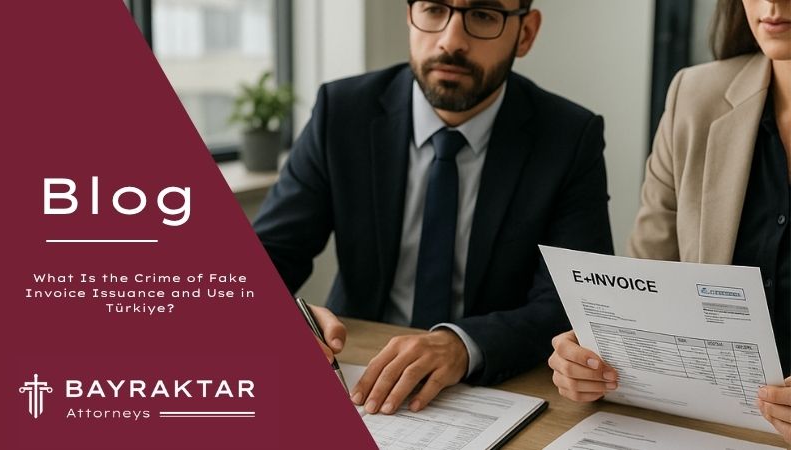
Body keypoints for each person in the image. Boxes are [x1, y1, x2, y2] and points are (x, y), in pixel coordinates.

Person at [255, 0, 613, 415]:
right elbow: (265, 256)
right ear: (410, 15)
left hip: (497, 388)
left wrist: (463, 343)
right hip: (358, 370)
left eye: (483, 15)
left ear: (526, 32)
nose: (450, 40)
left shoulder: (569, 137)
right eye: (433, 9)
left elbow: (571, 300)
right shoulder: (342, 111)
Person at [549, 0, 791, 440]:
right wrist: (595, 358)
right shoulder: (694, 96)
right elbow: (643, 290)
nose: (772, 4)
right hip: (697, 427)